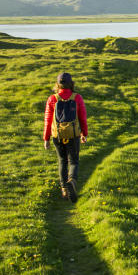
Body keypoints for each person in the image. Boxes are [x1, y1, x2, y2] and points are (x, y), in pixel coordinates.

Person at [43, 72, 88, 202]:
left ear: (58, 84)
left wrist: (46, 139)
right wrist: (84, 134)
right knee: (73, 161)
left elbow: (47, 120)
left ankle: (64, 190)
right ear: (71, 83)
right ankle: (72, 182)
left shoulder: (52, 99)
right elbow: (82, 118)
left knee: (62, 161)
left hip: (57, 135)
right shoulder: (77, 97)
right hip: (73, 134)